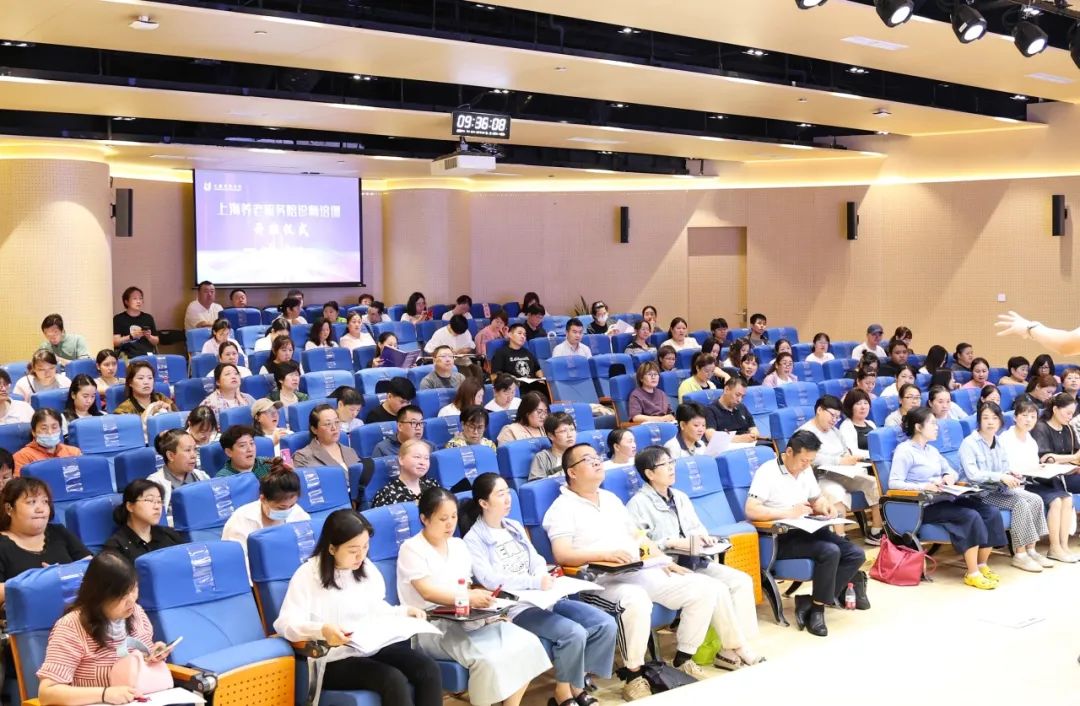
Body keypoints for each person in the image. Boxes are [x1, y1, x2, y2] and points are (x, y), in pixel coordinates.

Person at [544, 444, 725, 698]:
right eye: (587, 459)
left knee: (703, 587)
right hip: (599, 580)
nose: (596, 462)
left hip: (637, 570)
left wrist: (663, 560)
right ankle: (634, 676)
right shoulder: (562, 508)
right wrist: (603, 555)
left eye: (597, 457)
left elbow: (638, 536)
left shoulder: (610, 499)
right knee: (635, 599)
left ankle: (683, 659)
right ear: (572, 472)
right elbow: (562, 554)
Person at [462, 474, 616, 706]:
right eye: (500, 494)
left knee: (605, 624)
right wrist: (533, 582)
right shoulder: (473, 539)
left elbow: (536, 559)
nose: (507, 499)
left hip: (545, 597)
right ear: (483, 503)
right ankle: (564, 693)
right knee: (573, 633)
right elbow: (490, 580)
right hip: (516, 607)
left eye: (507, 492)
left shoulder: (513, 526)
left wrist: (542, 575)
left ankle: (575, 685)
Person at [274, 509, 443, 706]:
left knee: (428, 668)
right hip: (331, 659)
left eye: (365, 546)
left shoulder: (366, 567)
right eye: (353, 550)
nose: (360, 555)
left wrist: (403, 612)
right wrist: (322, 630)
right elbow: (286, 623)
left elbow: (375, 607)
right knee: (392, 679)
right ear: (332, 548)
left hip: (369, 648)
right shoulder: (307, 575)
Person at [398, 487, 550, 706]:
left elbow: (466, 585)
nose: (450, 524)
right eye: (443, 519)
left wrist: (484, 605)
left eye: (453, 517)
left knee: (528, 642)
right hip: (432, 625)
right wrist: (467, 597)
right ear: (424, 518)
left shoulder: (458, 545)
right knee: (489, 660)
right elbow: (427, 592)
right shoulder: (412, 548)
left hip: (467, 616)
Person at [627, 446, 763, 670]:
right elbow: (640, 546)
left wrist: (703, 538)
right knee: (718, 588)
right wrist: (670, 543)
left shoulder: (679, 496)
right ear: (649, 473)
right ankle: (738, 648)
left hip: (694, 559)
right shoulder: (637, 504)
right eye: (664, 465)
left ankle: (733, 648)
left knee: (741, 581)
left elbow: (696, 528)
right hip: (668, 567)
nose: (671, 468)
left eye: (671, 462)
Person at [744, 431, 868, 636]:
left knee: (856, 554)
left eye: (810, 461)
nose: (806, 465)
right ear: (789, 452)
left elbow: (816, 499)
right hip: (780, 537)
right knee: (830, 551)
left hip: (808, 529)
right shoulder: (767, 472)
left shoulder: (806, 469)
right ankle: (817, 611)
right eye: (803, 460)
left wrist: (825, 506)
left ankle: (810, 602)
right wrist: (788, 513)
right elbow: (751, 509)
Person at [889, 407, 1006, 589]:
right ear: (918, 427)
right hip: (922, 505)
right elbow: (894, 483)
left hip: (944, 498)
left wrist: (948, 476)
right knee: (970, 516)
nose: (937, 427)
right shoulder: (904, 450)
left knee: (990, 512)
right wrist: (923, 486)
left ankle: (982, 564)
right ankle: (972, 573)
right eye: (932, 424)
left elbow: (951, 471)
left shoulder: (932, 450)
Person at [35, 552, 168, 706]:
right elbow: (47, 693)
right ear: (99, 596)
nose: (131, 600)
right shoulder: (70, 627)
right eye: (122, 595)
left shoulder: (136, 612)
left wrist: (153, 655)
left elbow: (137, 664)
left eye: (133, 589)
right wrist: (105, 694)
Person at [958, 402, 1052, 572]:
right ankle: (1020, 554)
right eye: (985, 418)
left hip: (998, 489)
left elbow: (1003, 468)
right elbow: (973, 475)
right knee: (1019, 503)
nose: (990, 422)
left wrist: (1010, 473)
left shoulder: (998, 441)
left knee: (1035, 499)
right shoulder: (969, 443)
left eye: (994, 418)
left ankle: (1031, 550)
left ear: (1000, 421)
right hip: (979, 493)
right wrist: (1001, 476)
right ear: (979, 421)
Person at [999, 396, 1076, 563]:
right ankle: (1054, 547)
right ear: (1015, 417)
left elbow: (1034, 465)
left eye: (1033, 416)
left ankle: (1064, 546)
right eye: (1024, 415)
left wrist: (1042, 468)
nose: (1029, 420)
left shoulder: (1030, 440)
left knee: (1067, 499)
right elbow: (1004, 466)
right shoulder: (1005, 438)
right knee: (1056, 501)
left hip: (1033, 479)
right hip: (1017, 483)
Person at [797, 396, 884, 544]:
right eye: (832, 415)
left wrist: (848, 459)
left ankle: (876, 532)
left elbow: (845, 451)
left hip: (843, 473)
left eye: (837, 417)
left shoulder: (835, 431)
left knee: (874, 484)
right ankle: (840, 538)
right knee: (836, 493)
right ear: (819, 410)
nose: (834, 420)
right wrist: (838, 461)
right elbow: (809, 458)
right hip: (819, 477)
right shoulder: (805, 432)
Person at [0, 477, 90, 606]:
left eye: (45, 501)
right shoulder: (2, 545)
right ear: (9, 509)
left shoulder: (58, 532)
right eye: (31, 502)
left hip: (75, 608)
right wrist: (42, 582)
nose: (40, 509)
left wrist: (62, 574)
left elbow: (91, 566)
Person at [222, 465, 310, 565]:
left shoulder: (298, 513)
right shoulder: (241, 519)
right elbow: (236, 560)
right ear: (263, 499)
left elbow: (308, 548)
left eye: (292, 505)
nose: (287, 511)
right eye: (281, 508)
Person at [103, 479, 183, 563]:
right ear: (130, 506)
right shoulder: (116, 547)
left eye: (159, 501)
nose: (157, 507)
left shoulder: (170, 535)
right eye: (150, 500)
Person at [147, 428, 209, 519]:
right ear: (170, 456)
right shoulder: (154, 484)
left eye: (195, 449)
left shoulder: (201, 476)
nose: (194, 455)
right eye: (188, 450)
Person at [293, 404, 360, 473]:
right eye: (328, 424)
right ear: (314, 429)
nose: (334, 428)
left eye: (337, 422)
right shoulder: (303, 457)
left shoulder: (350, 451)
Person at [371, 439, 439, 507]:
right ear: (401, 460)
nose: (422, 462)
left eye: (426, 458)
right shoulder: (386, 495)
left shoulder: (432, 485)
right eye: (417, 457)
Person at [13, 408, 81, 474]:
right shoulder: (22, 457)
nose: (50, 432)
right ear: (33, 432)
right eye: (44, 428)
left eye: (54, 427)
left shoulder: (74, 453)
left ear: (60, 429)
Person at [703, 377, 759, 444]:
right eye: (737, 395)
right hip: (727, 447)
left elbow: (753, 428)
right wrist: (740, 439)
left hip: (750, 445)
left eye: (742, 396)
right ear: (726, 390)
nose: (739, 400)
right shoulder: (710, 410)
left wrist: (753, 434)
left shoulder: (742, 407)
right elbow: (710, 436)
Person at [489, 324, 544, 392]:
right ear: (510, 335)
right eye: (519, 333)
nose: (523, 336)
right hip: (514, 389)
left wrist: (541, 380)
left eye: (524, 335)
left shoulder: (527, 352)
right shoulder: (501, 353)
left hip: (533, 387)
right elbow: (494, 375)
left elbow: (538, 369)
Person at [113, 286, 159, 358]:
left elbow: (156, 341)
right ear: (126, 302)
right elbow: (115, 342)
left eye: (140, 298)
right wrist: (131, 336)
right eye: (135, 299)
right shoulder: (119, 318)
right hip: (126, 356)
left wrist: (149, 336)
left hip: (147, 354)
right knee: (127, 362)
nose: (138, 301)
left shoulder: (148, 318)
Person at [528, 412, 577, 481]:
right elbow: (536, 485)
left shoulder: (581, 453)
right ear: (551, 436)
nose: (570, 435)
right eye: (563, 431)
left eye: (572, 429)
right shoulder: (543, 458)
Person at [839, 388, 875, 460]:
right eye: (858, 404)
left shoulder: (871, 424)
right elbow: (852, 452)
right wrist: (875, 454)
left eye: (865, 403)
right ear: (850, 407)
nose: (863, 407)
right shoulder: (846, 426)